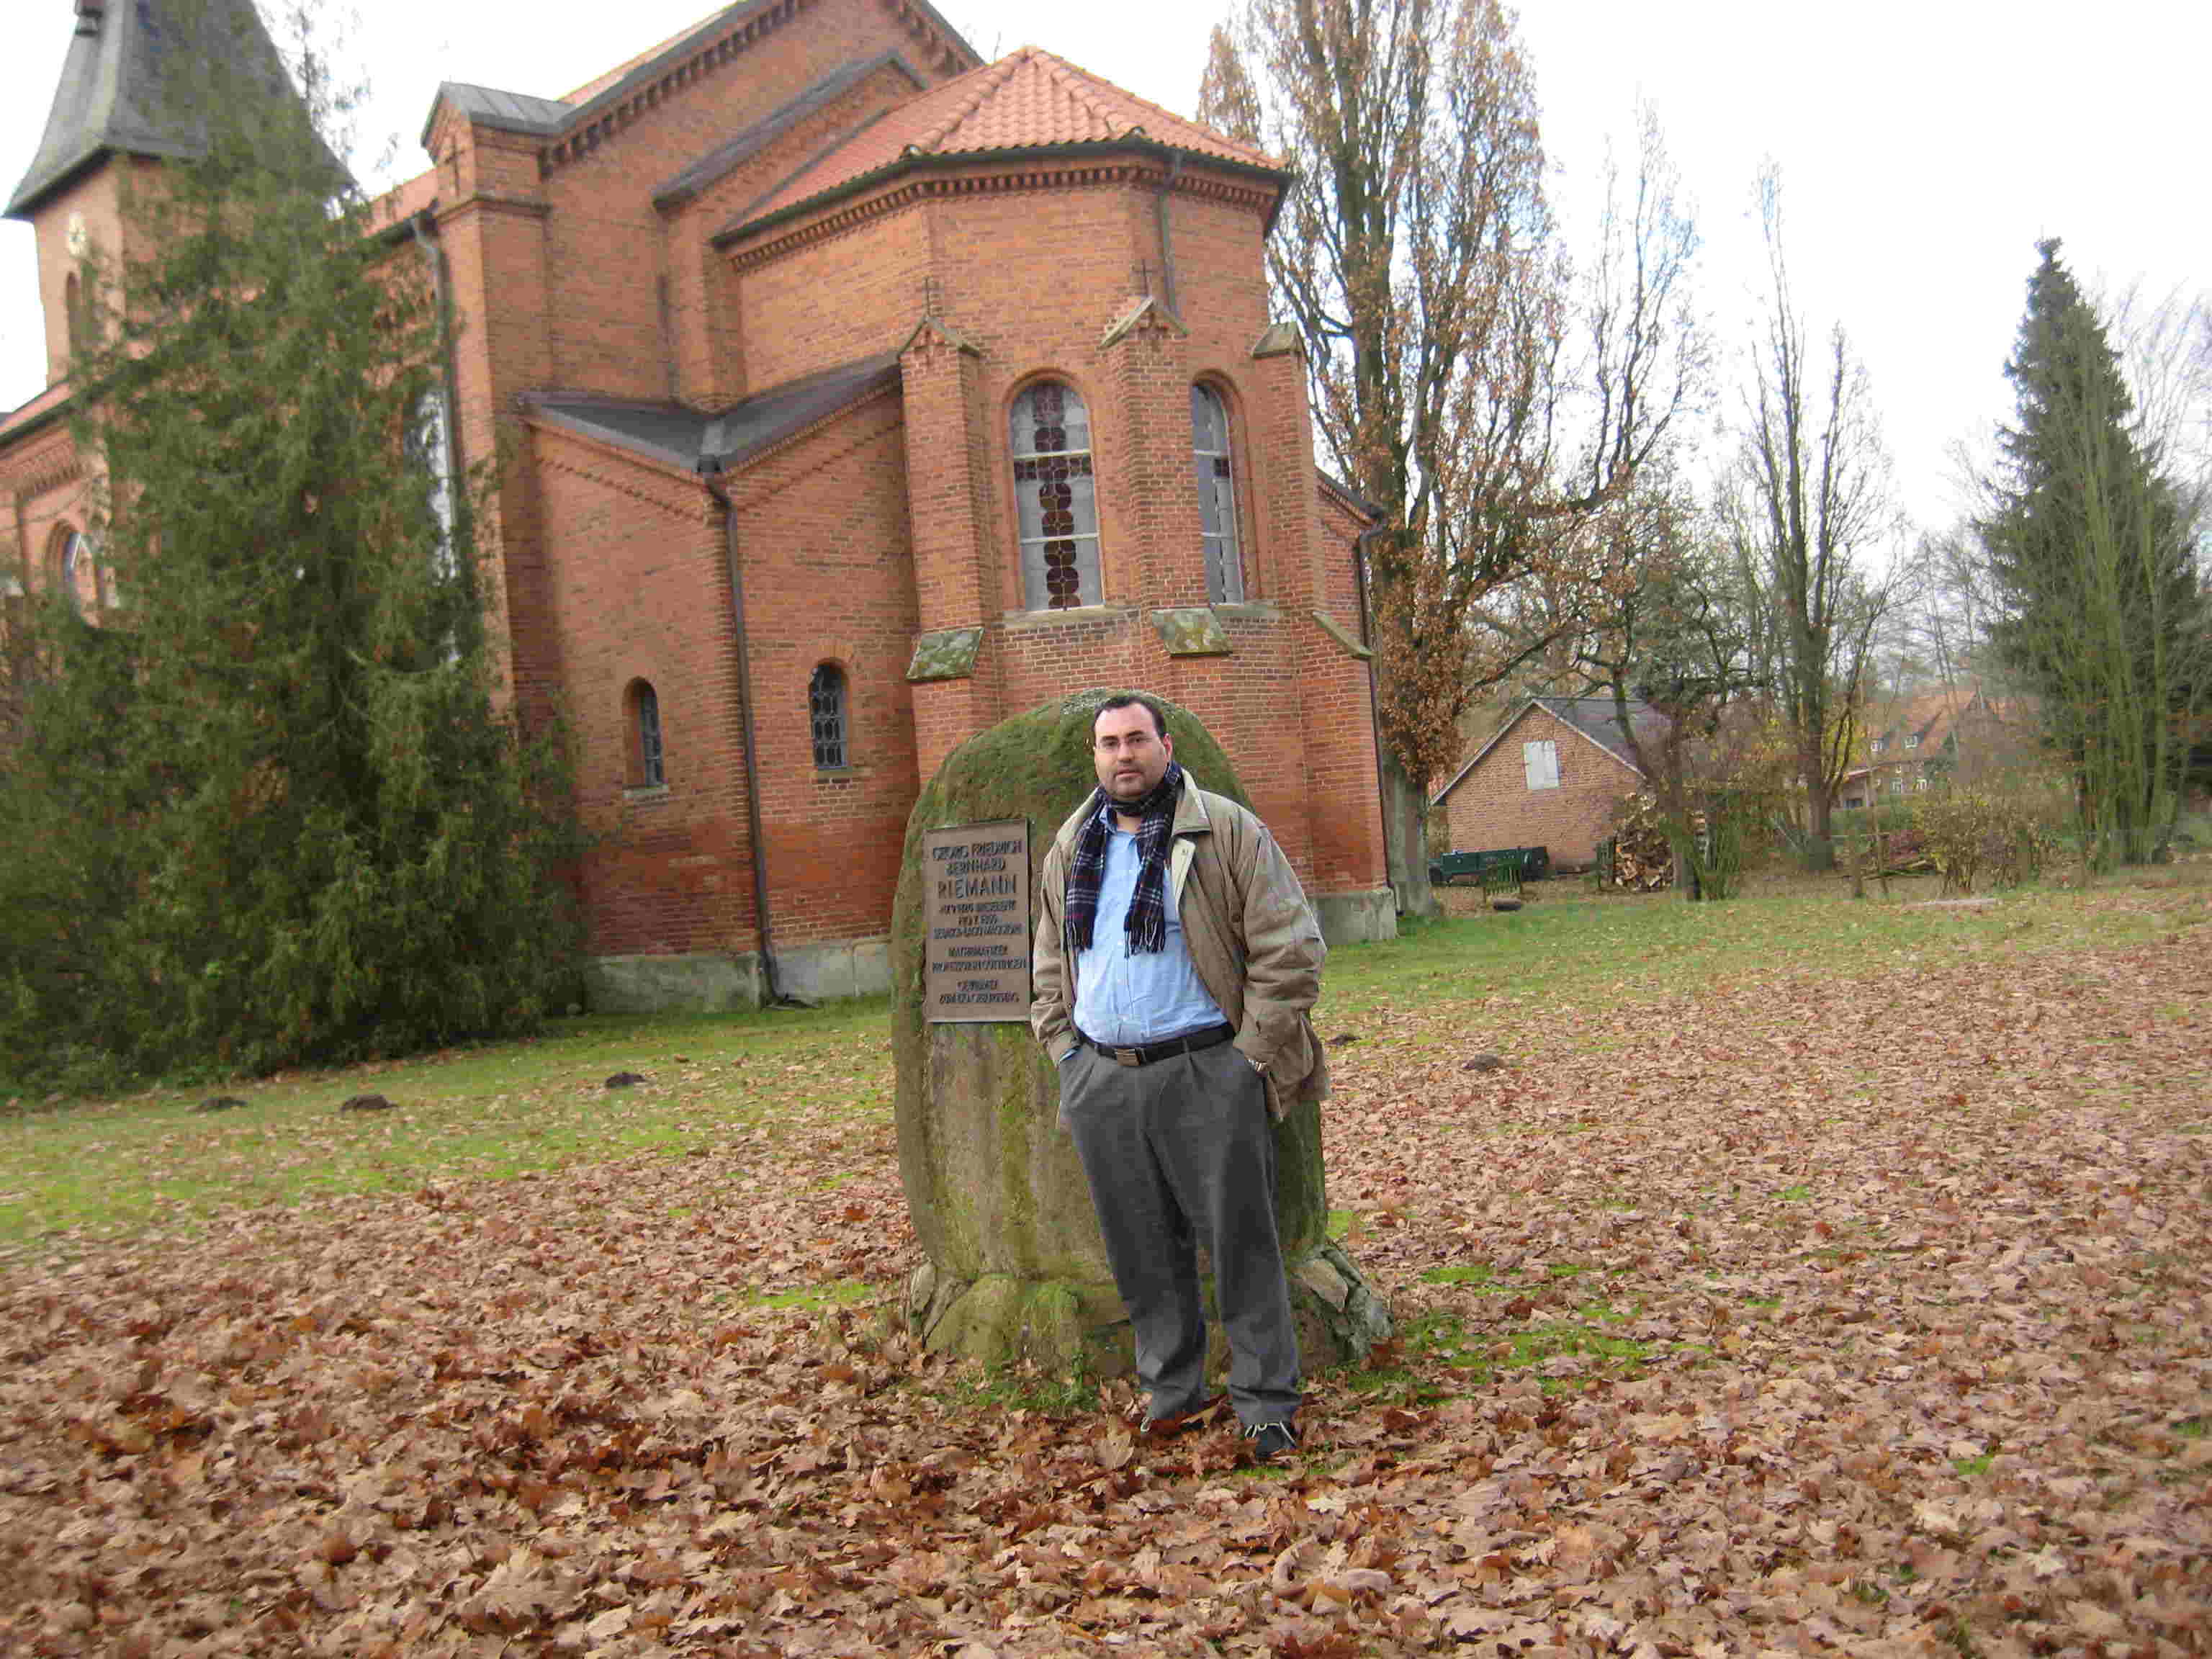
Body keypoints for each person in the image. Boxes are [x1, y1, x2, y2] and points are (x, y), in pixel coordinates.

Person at [1030, 693, 1329, 1462]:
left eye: (1136, 740)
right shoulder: (1073, 845)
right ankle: (1173, 1390)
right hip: (1104, 1077)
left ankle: (1266, 1403)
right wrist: (1067, 1054)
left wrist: (1247, 1062)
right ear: (1094, 757)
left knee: (1241, 1243)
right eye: (1108, 744)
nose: (1123, 756)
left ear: (1166, 744)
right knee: (1140, 1250)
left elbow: (1289, 949)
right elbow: (1049, 963)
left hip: (1207, 1071)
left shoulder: (1224, 830)